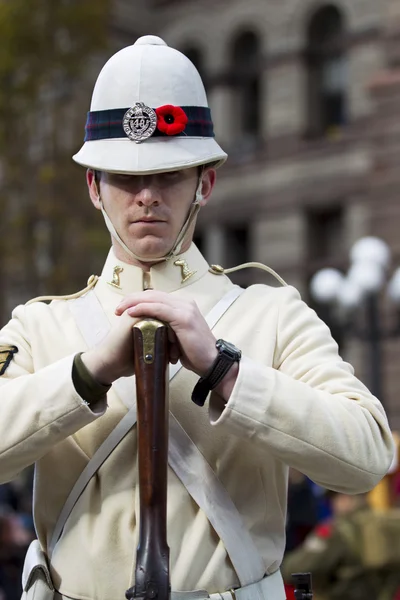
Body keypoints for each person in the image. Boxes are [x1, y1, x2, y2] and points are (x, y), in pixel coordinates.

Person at [0, 35, 394, 600]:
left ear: (204, 183)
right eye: (127, 178)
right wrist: (83, 375)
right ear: (94, 187)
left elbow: (367, 458)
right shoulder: (42, 326)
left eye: (168, 176)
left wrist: (228, 373)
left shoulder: (273, 314)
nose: (147, 196)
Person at [281, 491, 400, 600]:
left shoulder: (337, 531)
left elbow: (296, 568)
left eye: (334, 499)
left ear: (346, 498)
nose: (333, 506)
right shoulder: (390, 523)